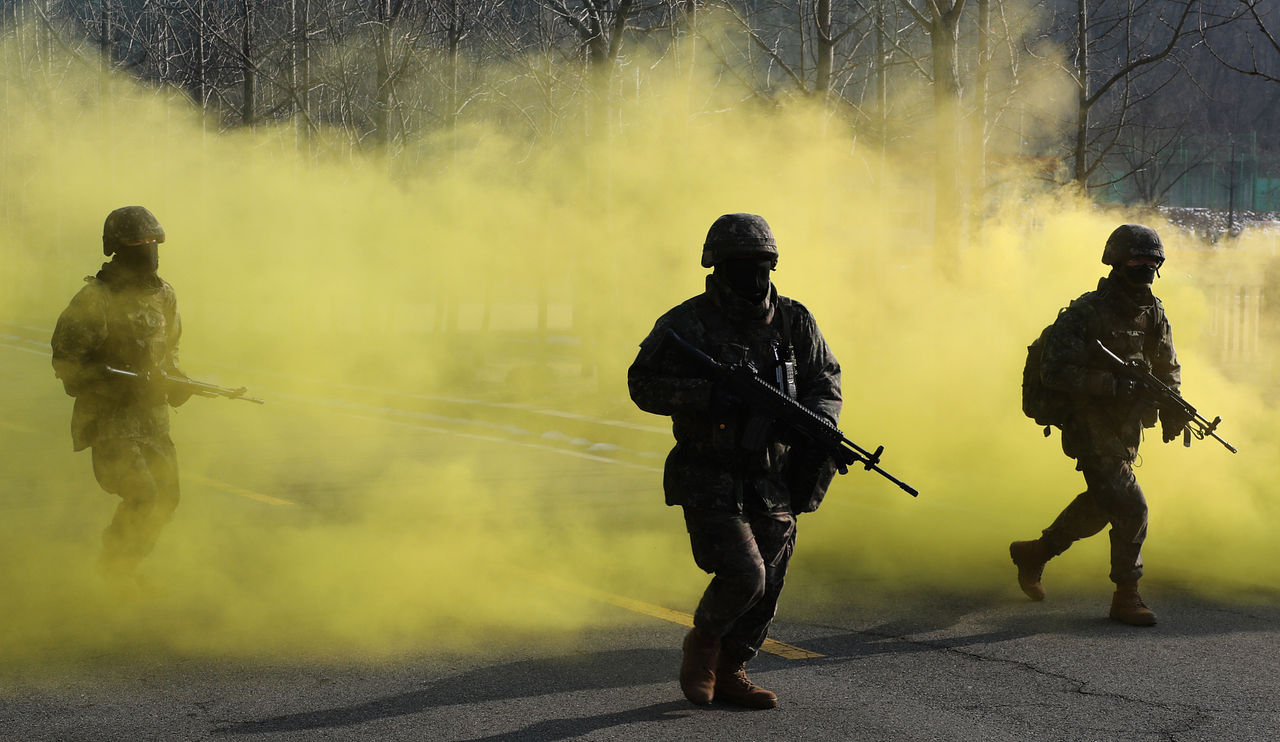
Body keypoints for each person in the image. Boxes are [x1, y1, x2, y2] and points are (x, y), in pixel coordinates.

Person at [628, 213, 842, 708]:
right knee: (747, 574)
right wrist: (708, 396)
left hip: (771, 476)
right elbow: (642, 384)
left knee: (771, 581)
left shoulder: (793, 320)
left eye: (761, 264)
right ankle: (702, 645)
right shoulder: (686, 323)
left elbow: (825, 379)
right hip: (708, 473)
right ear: (717, 266)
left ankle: (732, 668)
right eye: (741, 265)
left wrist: (818, 422)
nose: (753, 275)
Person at [1010, 224, 1191, 626]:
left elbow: (1166, 366)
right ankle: (1126, 595)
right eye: (1137, 260)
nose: (1145, 268)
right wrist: (1110, 384)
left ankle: (1035, 552)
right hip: (1087, 420)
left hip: (1125, 425)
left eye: (1152, 262)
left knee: (1104, 502)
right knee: (1131, 505)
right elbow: (1054, 370)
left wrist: (1173, 407)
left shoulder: (1154, 313)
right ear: (1116, 262)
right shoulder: (1085, 312)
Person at [51, 205, 192, 587]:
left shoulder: (164, 296)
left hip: (152, 421)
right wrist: (112, 380)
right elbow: (66, 361)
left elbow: (170, 350)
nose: (148, 248)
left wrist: (176, 381)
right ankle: (115, 572)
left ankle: (125, 566)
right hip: (109, 422)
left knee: (167, 498)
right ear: (116, 247)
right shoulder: (95, 299)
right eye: (137, 242)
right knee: (143, 494)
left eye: (152, 241)